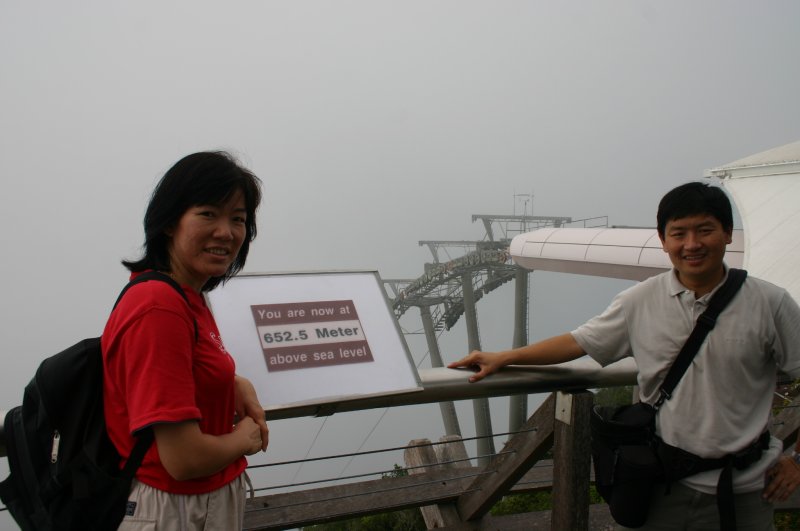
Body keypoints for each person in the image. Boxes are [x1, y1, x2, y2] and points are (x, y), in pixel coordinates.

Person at [449, 181, 800, 529]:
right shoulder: (640, 301)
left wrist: (796, 458)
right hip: (664, 484)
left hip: (749, 490)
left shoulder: (770, 303)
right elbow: (579, 342)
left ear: (727, 234)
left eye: (704, 230)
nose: (691, 244)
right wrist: (505, 358)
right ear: (663, 240)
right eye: (678, 234)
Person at [102, 151, 269, 530]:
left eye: (238, 219)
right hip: (173, 511)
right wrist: (245, 437)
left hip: (197, 503)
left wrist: (232, 381)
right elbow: (184, 459)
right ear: (168, 222)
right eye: (208, 213)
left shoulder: (187, 295)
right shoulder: (158, 305)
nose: (226, 232)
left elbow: (182, 369)